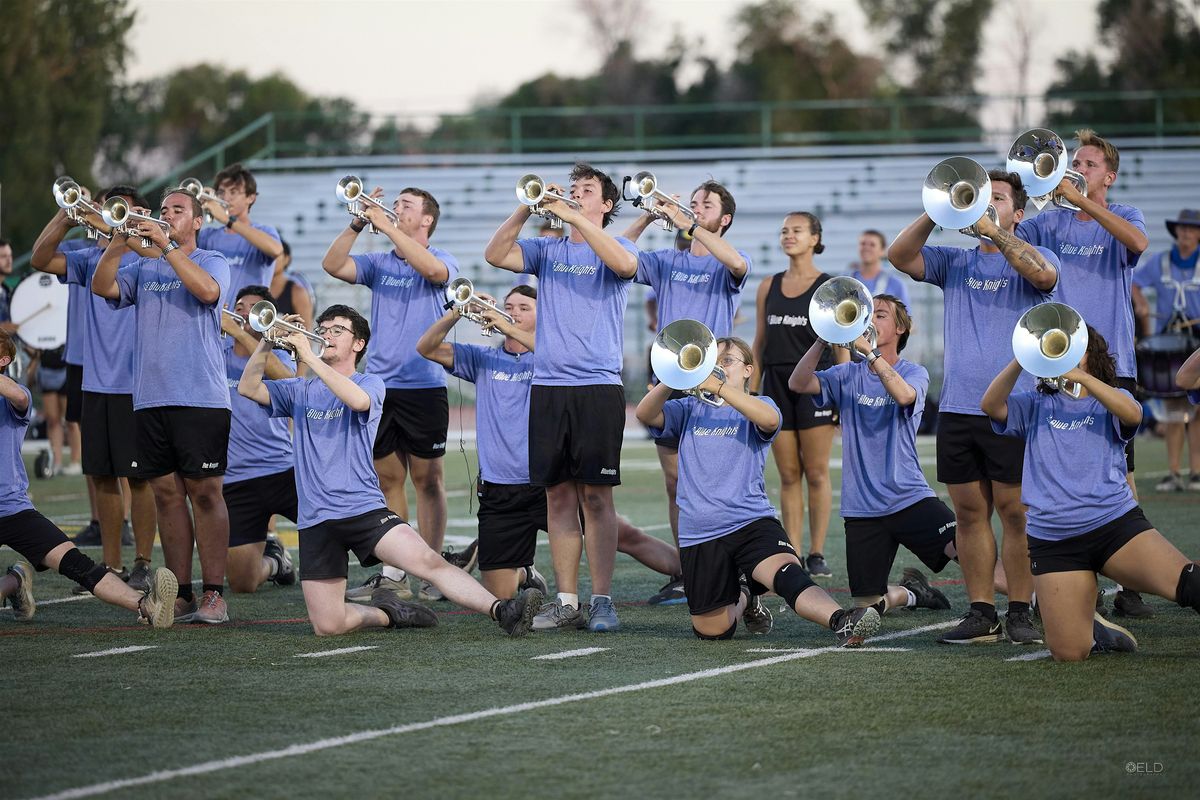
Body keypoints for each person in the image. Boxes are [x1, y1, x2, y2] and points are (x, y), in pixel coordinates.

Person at [237, 303, 541, 637]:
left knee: (428, 563)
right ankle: (388, 613)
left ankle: (502, 610)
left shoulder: (371, 383)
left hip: (363, 509)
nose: (326, 335)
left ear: (358, 344)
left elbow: (356, 402)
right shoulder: (300, 390)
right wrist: (267, 339)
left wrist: (308, 358)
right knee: (328, 626)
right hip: (316, 519)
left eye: (337, 330)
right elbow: (248, 388)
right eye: (323, 330)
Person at [415, 284, 681, 608]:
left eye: (524, 308)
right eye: (509, 306)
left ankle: (688, 572)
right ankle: (527, 574)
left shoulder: (556, 358)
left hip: (549, 483)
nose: (513, 311)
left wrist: (510, 328)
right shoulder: (482, 358)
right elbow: (426, 347)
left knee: (622, 535)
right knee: (501, 596)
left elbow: (557, 354)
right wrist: (458, 310)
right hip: (500, 490)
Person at [888, 169, 1059, 645]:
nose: (987, 205)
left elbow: (1044, 276)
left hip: (1015, 405)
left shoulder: (1031, 255)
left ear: (1018, 213)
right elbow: (899, 256)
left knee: (1015, 512)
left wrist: (997, 234)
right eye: (981, 199)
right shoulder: (955, 262)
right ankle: (982, 611)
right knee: (968, 513)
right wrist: (941, 209)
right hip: (960, 407)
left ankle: (1021, 609)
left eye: (997, 199)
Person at [636, 336, 881, 644]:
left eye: (727, 361)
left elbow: (771, 420)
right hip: (700, 532)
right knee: (712, 631)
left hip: (749, 521)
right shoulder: (687, 408)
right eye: (712, 362)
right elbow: (645, 415)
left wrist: (721, 389)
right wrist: (673, 376)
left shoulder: (760, 405)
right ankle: (745, 595)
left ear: (748, 370)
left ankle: (841, 620)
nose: (718, 367)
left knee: (787, 575)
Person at [982, 327, 1200, 661]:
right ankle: (1095, 628)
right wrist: (1021, 359)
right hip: (1054, 540)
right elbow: (991, 405)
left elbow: (1133, 415)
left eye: (1074, 349)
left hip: (1114, 527)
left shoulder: (1112, 398)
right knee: (1070, 653)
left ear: (1091, 355)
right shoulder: (1036, 403)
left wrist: (1081, 377)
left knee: (1191, 585)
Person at [484, 163, 638, 632]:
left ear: (606, 204)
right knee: (557, 498)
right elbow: (495, 254)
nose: (574, 194)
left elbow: (626, 266)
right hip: (549, 386)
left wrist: (577, 221)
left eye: (585, 190)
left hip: (596, 386)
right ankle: (568, 600)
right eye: (572, 189)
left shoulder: (620, 245)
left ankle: (604, 599)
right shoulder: (547, 249)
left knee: (596, 498)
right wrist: (526, 208)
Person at [1015, 129, 1153, 618]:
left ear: (1108, 176)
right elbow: (1012, 240)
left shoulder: (1124, 215)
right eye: (1077, 161)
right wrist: (1007, 215)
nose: (1079, 168)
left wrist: (1083, 202)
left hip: (1111, 361)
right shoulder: (1050, 221)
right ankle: (1061, 578)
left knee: (1121, 466)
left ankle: (1127, 581)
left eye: (1090, 164)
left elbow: (1137, 242)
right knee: (1052, 462)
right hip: (1053, 357)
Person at [91, 188, 233, 624]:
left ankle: (214, 594)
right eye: (163, 210)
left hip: (200, 396)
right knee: (167, 495)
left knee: (205, 494)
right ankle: (183, 593)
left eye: (178, 210)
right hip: (149, 397)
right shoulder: (143, 265)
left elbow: (208, 293)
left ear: (196, 222)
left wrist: (166, 245)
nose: (167, 215)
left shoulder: (213, 261)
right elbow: (102, 286)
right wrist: (118, 238)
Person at [321, 185, 454, 600]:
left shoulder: (441, 258)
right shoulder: (380, 262)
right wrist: (359, 221)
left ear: (427, 219)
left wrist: (388, 227)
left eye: (405, 206)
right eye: (394, 204)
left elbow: (433, 273)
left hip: (424, 384)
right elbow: (333, 264)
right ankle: (397, 571)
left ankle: (432, 567)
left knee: (428, 479)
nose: (395, 209)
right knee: (387, 478)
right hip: (380, 385)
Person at [622, 180, 750, 606]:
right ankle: (687, 570)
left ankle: (739, 568)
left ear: (723, 218)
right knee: (675, 482)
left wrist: (692, 227)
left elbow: (735, 263)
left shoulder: (727, 260)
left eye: (705, 205)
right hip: (669, 378)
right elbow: (617, 253)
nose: (694, 208)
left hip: (714, 381)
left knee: (718, 479)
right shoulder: (665, 260)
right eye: (692, 203)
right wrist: (648, 214)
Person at [788, 295, 955, 616]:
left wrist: (871, 352)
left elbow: (904, 395)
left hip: (908, 496)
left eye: (879, 315)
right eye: (867, 315)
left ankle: (1025, 600)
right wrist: (824, 337)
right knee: (867, 606)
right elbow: (798, 382)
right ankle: (911, 594)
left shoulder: (915, 372)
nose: (869, 321)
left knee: (970, 550)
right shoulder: (846, 374)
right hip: (862, 508)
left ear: (901, 328)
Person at [0, 329, 177, 628]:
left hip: (11, 509)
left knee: (76, 564)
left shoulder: (16, 396)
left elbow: (17, 395)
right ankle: (16, 581)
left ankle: (146, 605)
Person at [29, 187, 159, 589]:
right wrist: (66, 216)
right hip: (96, 381)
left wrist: (124, 230)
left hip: (137, 383)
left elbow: (155, 252)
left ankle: (141, 562)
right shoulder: (89, 258)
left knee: (138, 478)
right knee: (102, 474)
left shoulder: (149, 255)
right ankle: (113, 566)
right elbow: (38, 259)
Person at [752, 211, 847, 579]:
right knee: (789, 474)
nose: (788, 236)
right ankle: (790, 551)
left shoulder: (829, 287)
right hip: (775, 385)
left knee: (817, 472)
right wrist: (755, 393)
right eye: (784, 230)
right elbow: (760, 342)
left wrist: (838, 393)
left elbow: (840, 345)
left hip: (814, 384)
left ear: (814, 238)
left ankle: (817, 552)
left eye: (797, 230)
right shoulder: (768, 285)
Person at [221, 285, 299, 593]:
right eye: (240, 306)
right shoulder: (216, 355)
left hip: (282, 470)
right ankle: (277, 562)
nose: (243, 312)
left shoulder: (279, 356)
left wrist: (242, 335)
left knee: (331, 528)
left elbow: (291, 384)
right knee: (242, 583)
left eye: (255, 308)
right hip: (236, 478)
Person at [1132, 209, 1200, 492]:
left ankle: (1196, 472)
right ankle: (1173, 473)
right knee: (1173, 409)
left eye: (1191, 229)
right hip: (1170, 343)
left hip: (1197, 341)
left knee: (1197, 412)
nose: (1185, 233)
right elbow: (1134, 283)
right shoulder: (1160, 262)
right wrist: (1142, 305)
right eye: (1181, 229)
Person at [196, 163, 285, 301]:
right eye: (220, 192)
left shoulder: (264, 231)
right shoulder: (207, 236)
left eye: (233, 192)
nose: (225, 198)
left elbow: (275, 250)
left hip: (248, 318)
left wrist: (227, 220)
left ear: (251, 197)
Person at [849, 229, 910, 309]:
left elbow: (906, 318)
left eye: (872, 245)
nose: (866, 248)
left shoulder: (896, 284)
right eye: (863, 244)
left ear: (882, 251)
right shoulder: (846, 280)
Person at [269, 239, 315, 332]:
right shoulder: (255, 289)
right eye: (266, 255)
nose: (270, 260)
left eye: (275, 256)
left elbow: (307, 334)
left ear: (287, 259)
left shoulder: (297, 292)